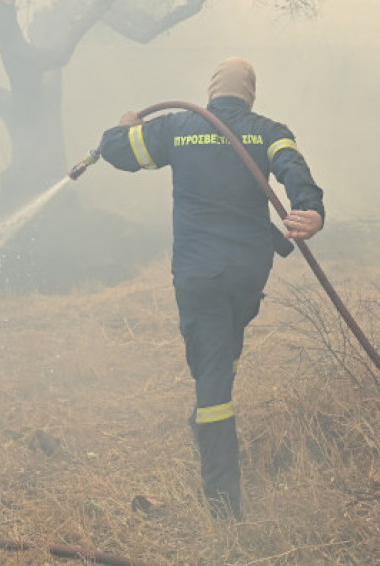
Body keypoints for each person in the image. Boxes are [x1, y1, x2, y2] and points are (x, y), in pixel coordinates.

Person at [96, 57, 325, 521]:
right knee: (224, 349)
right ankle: (205, 421)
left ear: (212, 91)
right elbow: (293, 168)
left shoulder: (178, 127)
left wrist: (124, 127)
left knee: (212, 376)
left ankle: (222, 502)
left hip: (198, 272)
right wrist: (311, 209)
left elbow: (115, 152)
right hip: (248, 271)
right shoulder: (269, 131)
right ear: (250, 94)